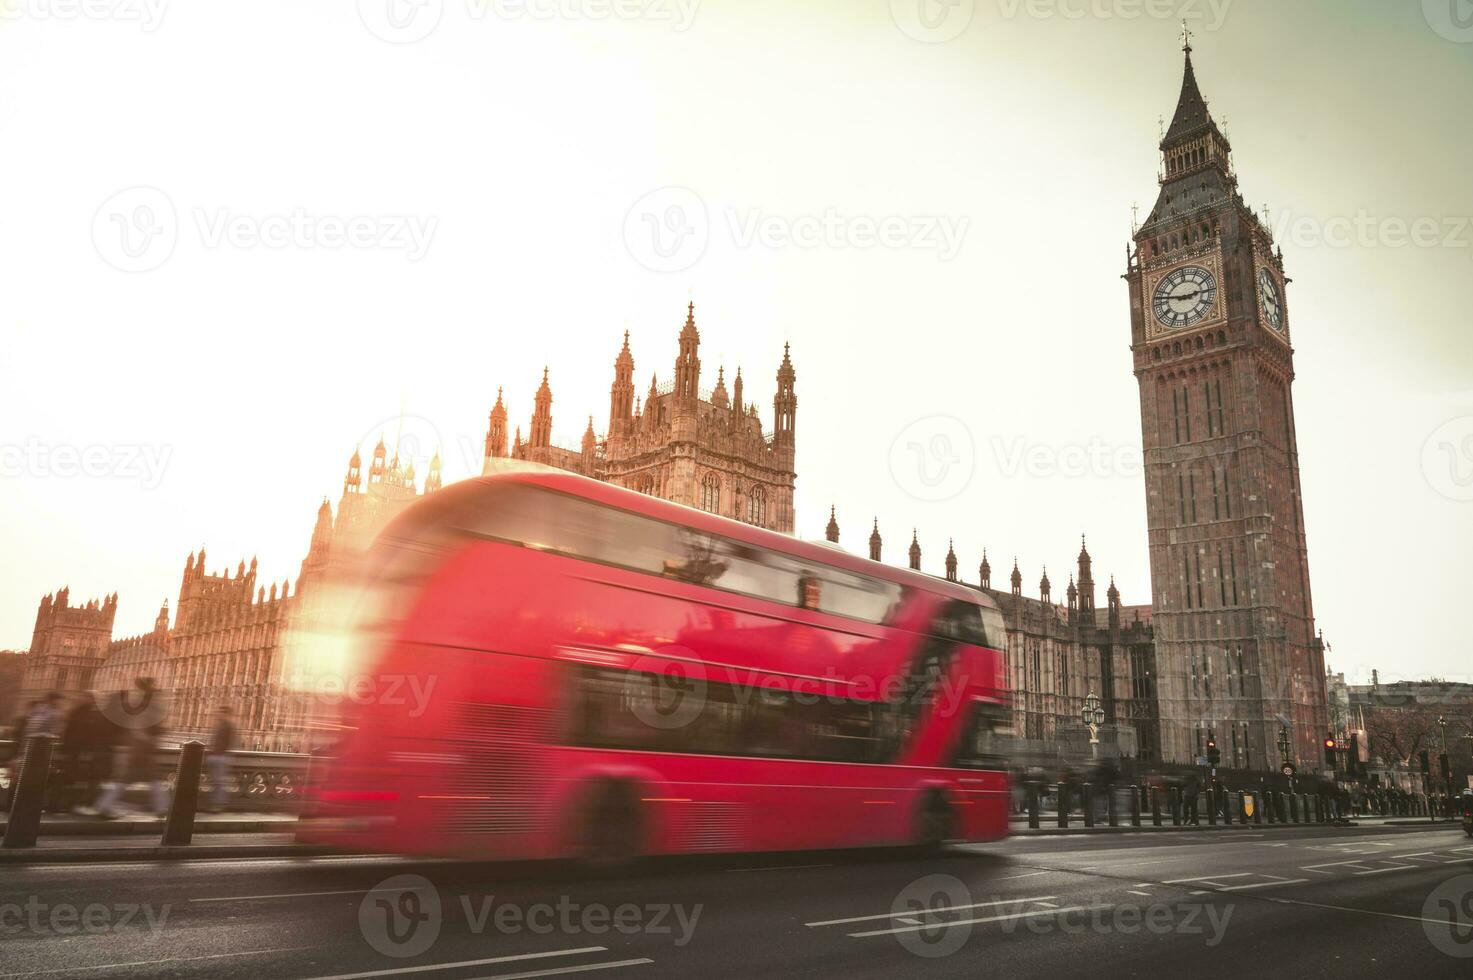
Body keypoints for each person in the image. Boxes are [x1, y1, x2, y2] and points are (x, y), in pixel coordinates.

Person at [207, 705, 236, 812]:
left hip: (221, 757)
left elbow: (228, 743)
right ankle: (215, 804)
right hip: (216, 756)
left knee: (219, 783)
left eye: (220, 712)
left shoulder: (228, 725)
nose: (218, 714)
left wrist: (219, 755)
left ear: (226, 714)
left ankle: (218, 805)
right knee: (215, 782)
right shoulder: (219, 725)